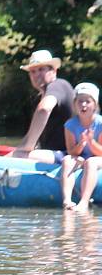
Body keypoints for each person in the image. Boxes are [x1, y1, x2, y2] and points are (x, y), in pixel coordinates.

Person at [10, 49, 75, 163]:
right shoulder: (40, 97)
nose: (36, 75)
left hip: (67, 155)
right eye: (33, 71)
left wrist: (28, 145)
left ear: (54, 71)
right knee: (16, 152)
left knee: (19, 155)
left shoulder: (58, 85)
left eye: (41, 69)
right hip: (52, 153)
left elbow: (44, 109)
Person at [60, 83, 102, 212]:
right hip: (81, 157)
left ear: (95, 105)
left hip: (97, 158)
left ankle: (84, 202)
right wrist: (82, 143)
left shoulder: (100, 123)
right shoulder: (70, 125)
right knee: (67, 160)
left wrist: (90, 142)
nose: (83, 104)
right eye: (80, 101)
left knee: (91, 162)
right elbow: (71, 151)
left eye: (88, 101)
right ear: (74, 104)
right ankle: (67, 200)